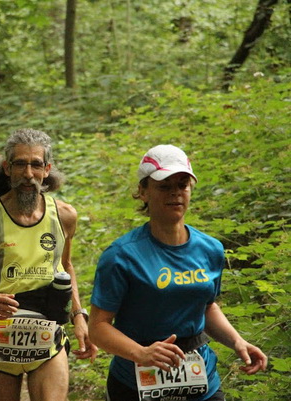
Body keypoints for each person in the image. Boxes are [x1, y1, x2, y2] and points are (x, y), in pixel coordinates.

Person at [88, 145, 268, 401]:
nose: (175, 193)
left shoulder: (210, 249)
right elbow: (97, 327)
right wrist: (141, 353)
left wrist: (238, 342)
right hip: (135, 384)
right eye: (163, 186)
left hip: (200, 379)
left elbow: (207, 307)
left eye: (183, 185)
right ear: (143, 192)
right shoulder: (121, 255)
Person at [0, 129, 97, 401]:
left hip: (49, 336)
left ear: (47, 170)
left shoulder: (64, 215)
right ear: (7, 168)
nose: (28, 174)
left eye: (36, 164)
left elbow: (65, 267)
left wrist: (79, 315)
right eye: (20, 164)